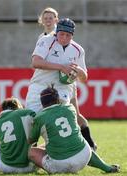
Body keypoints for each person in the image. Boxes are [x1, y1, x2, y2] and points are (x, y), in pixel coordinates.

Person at [25, 18, 97, 150]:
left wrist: (79, 71)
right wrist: (61, 67)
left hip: (62, 89)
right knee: (31, 122)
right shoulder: (45, 40)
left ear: (72, 35)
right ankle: (31, 155)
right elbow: (36, 62)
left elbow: (84, 77)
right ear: (56, 32)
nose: (64, 38)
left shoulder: (78, 50)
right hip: (39, 86)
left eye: (68, 35)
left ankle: (72, 152)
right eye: (61, 34)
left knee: (59, 125)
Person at [28, 85, 120, 174]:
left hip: (59, 164)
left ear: (42, 103)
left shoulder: (39, 118)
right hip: (84, 157)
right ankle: (106, 167)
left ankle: (35, 168)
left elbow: (32, 140)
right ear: (57, 99)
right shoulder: (70, 108)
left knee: (31, 152)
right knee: (79, 141)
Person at [0, 97, 36, 173]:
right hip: (28, 167)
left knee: (1, 144)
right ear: (17, 106)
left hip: (4, 167)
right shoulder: (25, 113)